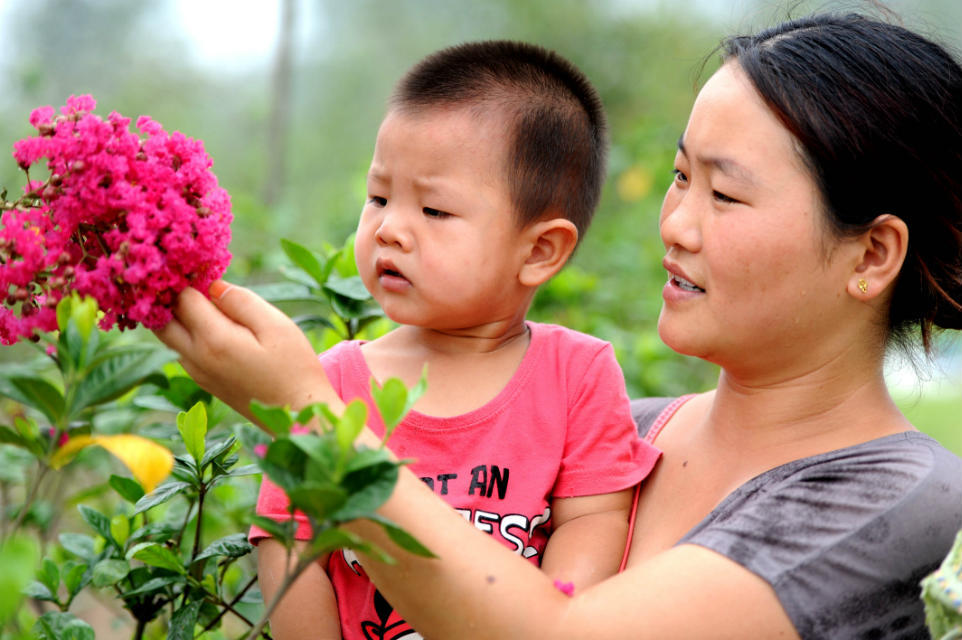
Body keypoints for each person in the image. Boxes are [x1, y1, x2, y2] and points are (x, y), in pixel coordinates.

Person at [156, 10, 962, 639]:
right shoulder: (602, 429)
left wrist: (309, 415)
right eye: (680, 177)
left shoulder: (897, 501)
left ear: (872, 254)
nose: (675, 223)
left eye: (725, 194)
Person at [245, 40, 660, 639]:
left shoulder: (577, 374)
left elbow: (593, 524)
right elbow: (290, 544)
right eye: (379, 197)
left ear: (539, 250)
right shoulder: (328, 382)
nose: (389, 229)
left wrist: (550, 620)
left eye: (434, 210)